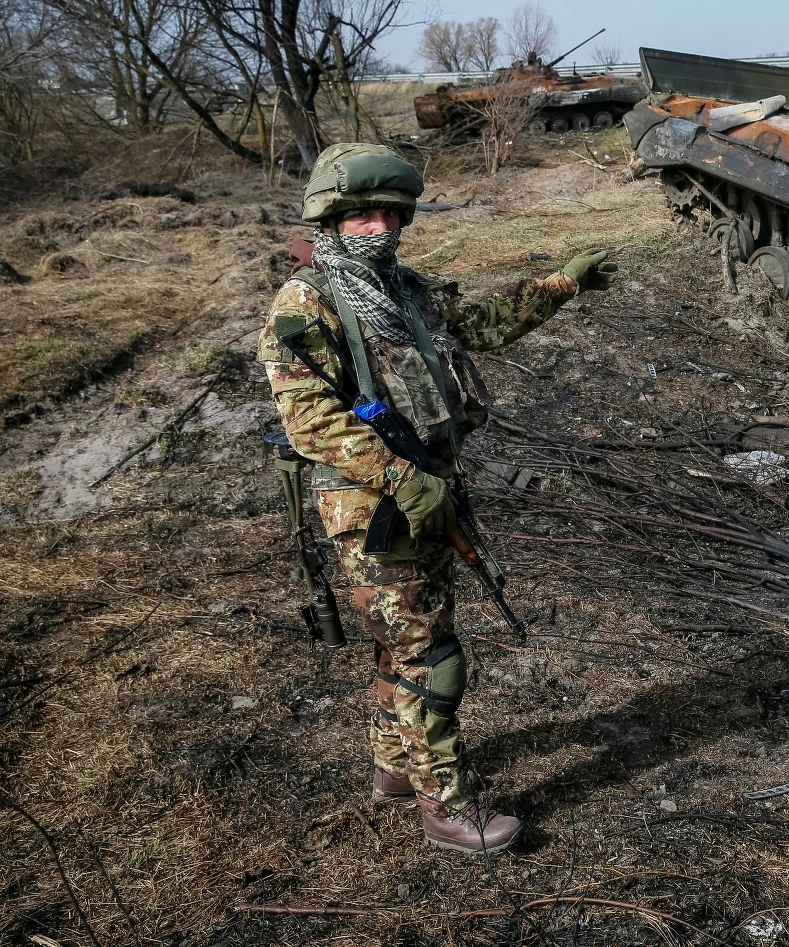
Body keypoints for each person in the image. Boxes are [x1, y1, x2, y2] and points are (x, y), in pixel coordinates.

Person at [258, 142, 615, 854]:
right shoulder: (305, 303)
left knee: (404, 638)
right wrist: (401, 478)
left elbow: (479, 325)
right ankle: (446, 808)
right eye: (364, 216)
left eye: (391, 215)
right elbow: (310, 419)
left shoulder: (406, 293)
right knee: (433, 653)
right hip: (370, 506)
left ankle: (395, 766)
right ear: (330, 222)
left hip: (429, 488)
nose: (381, 228)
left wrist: (563, 284)